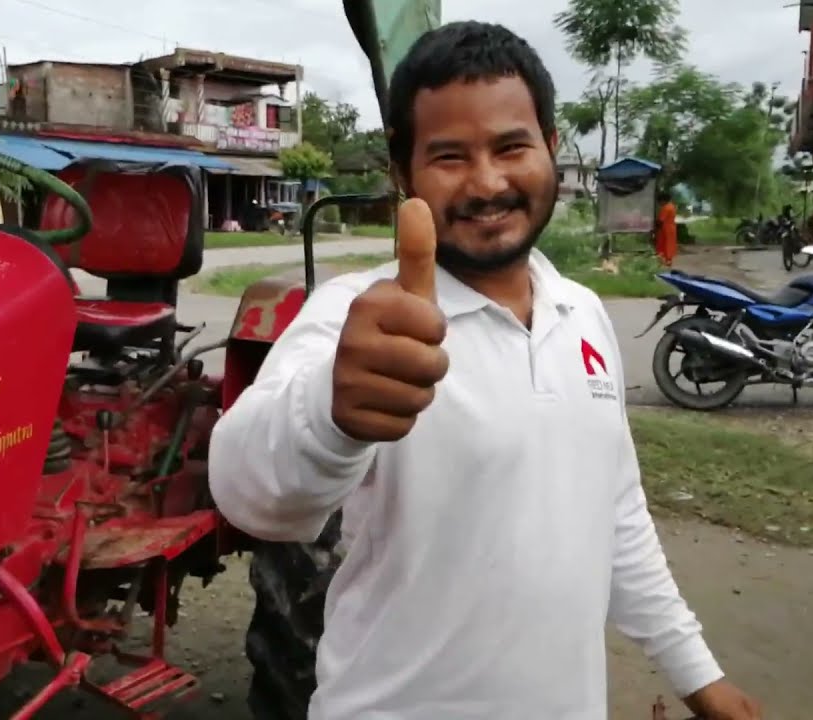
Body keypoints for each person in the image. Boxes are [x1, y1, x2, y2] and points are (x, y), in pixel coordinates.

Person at [207, 20, 762, 720]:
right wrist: (329, 416)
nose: (488, 182)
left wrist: (696, 672)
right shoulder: (358, 317)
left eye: (511, 147)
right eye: (449, 156)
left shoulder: (583, 314)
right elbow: (246, 490)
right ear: (402, 171)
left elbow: (614, 512)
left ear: (552, 150)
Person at [655, 191, 678, 267]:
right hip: (671, 228)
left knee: (664, 246)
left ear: (663, 200)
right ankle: (668, 261)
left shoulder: (666, 208)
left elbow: (660, 221)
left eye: (659, 202)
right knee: (669, 245)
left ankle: (664, 262)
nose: (659, 204)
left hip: (665, 230)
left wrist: (654, 230)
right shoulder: (671, 206)